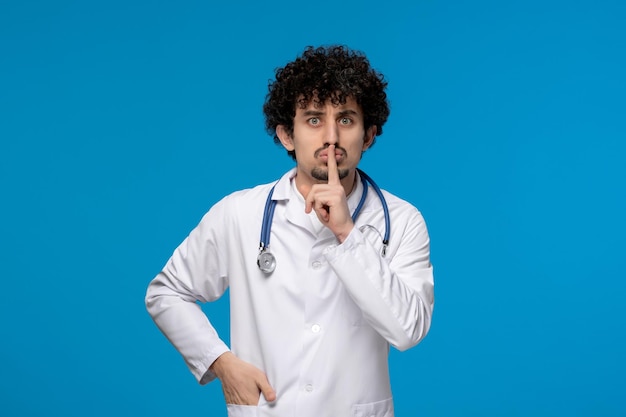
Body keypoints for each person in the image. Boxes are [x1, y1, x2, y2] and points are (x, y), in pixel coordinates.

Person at [145, 45, 434, 417]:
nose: (331, 137)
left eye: (346, 119)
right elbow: (167, 292)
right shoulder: (239, 213)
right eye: (314, 119)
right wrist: (221, 362)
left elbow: (408, 330)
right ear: (286, 135)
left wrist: (348, 233)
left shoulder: (402, 220)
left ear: (368, 136)